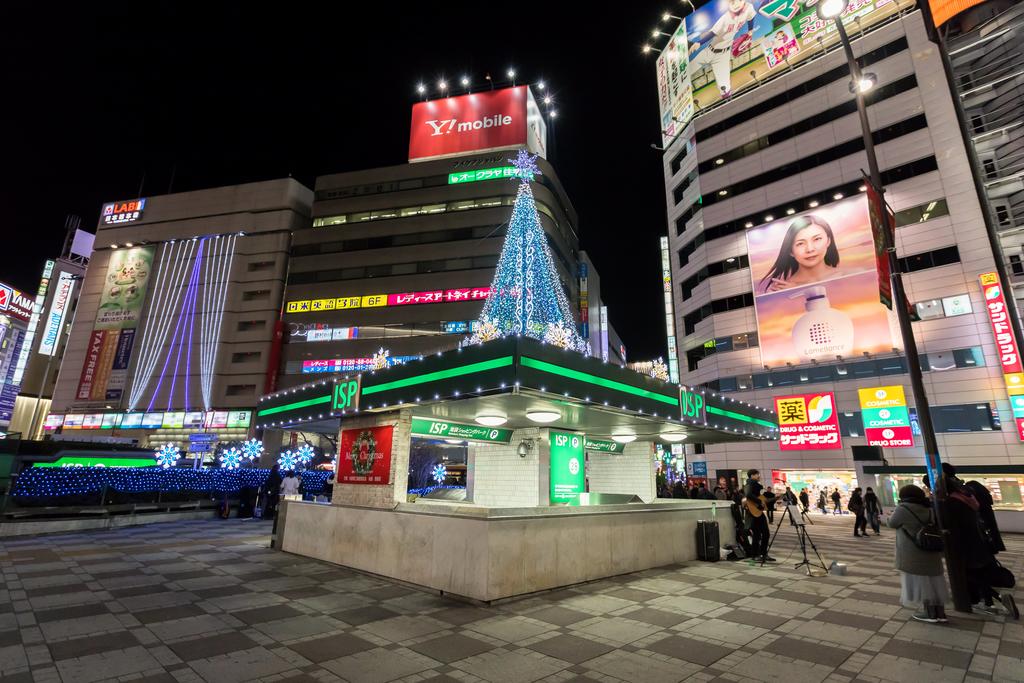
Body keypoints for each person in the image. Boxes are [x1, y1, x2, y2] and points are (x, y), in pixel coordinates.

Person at [888, 484, 948, 623]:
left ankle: (930, 614)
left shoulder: (903, 508)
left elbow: (892, 523)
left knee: (921, 583)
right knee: (934, 583)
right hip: (931, 551)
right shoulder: (929, 509)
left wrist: (888, 517)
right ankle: (940, 613)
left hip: (913, 552)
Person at [687, 0, 759, 99]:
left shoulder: (749, 8)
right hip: (708, 51)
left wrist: (750, 31)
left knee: (725, 88)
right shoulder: (726, 18)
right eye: (732, 2)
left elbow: (751, 18)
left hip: (723, 56)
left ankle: (729, 103)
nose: (735, 4)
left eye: (736, 1)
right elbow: (712, 33)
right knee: (688, 70)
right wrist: (699, 43)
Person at [760, 215, 842, 293]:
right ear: (791, 251)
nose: (810, 249)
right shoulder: (782, 289)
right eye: (800, 244)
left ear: (828, 241)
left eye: (817, 239)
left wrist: (799, 290)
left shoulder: (846, 274)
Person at [743, 469, 775, 562]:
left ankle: (761, 554)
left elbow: (760, 498)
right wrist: (759, 501)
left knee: (761, 534)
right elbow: (748, 494)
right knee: (761, 534)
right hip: (753, 513)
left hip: (757, 512)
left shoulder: (755, 485)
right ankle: (759, 555)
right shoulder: (749, 483)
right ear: (752, 475)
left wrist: (774, 498)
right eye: (757, 474)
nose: (759, 476)